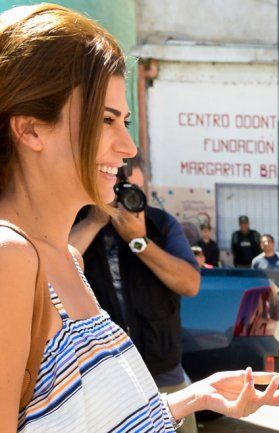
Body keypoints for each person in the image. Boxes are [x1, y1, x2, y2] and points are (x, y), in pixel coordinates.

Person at [1, 5, 279, 432]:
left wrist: (194, 396)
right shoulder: (10, 258)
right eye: (106, 120)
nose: (128, 146)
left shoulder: (67, 259)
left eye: (126, 121)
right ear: (30, 130)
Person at [71, 159, 205, 433]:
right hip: (101, 376)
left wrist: (139, 241)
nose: (127, 197)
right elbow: (49, 268)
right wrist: (95, 220)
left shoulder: (160, 224)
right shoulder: (78, 219)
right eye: (120, 187)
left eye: (136, 189)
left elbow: (190, 284)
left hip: (162, 371)